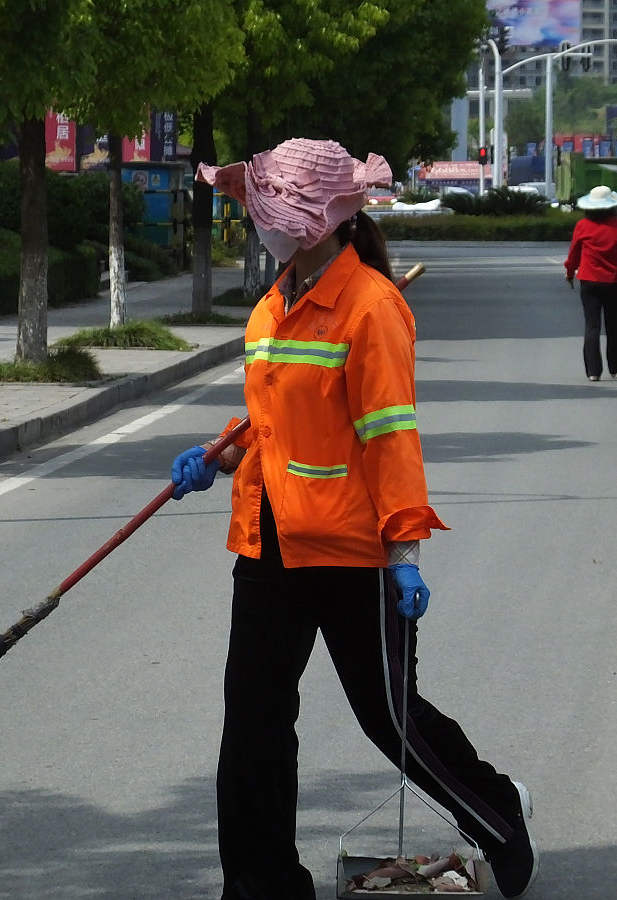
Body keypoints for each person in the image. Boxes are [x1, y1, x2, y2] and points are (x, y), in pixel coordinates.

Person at [170, 138, 540, 900]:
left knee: (389, 719)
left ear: (322, 220)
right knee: (252, 728)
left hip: (351, 550)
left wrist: (404, 551)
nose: (260, 224)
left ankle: (498, 818)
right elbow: (277, 419)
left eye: (270, 211)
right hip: (268, 543)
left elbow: (389, 433)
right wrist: (218, 455)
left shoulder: (371, 306)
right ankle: (262, 883)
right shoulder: (275, 304)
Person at [563, 185, 617, 382]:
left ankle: (593, 371)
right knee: (612, 325)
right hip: (614, 283)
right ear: (611, 206)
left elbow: (574, 253)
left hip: (589, 282)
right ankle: (615, 366)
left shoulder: (582, 226)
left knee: (592, 326)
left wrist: (569, 272)